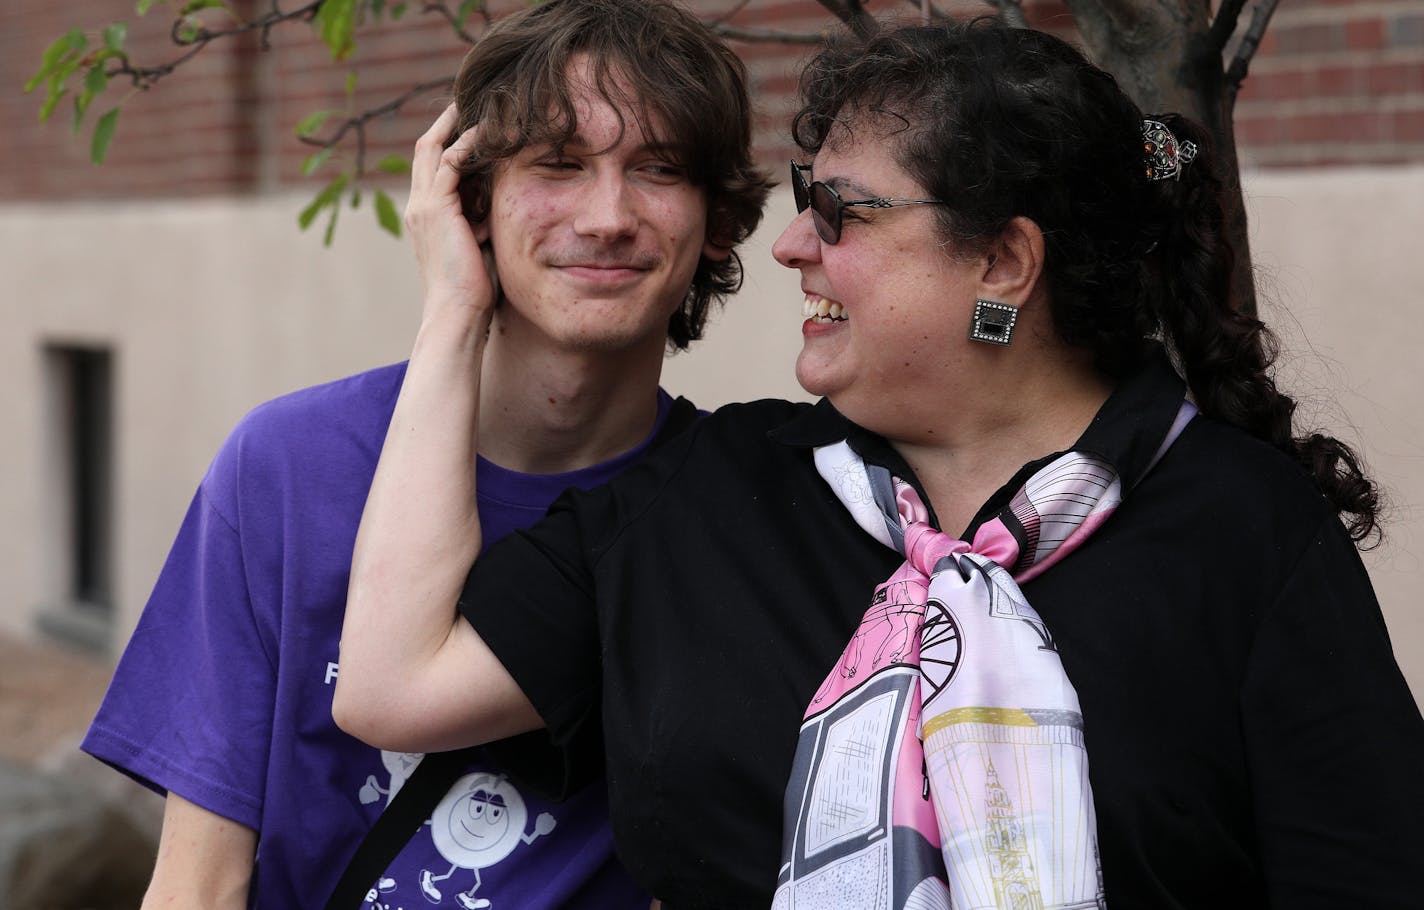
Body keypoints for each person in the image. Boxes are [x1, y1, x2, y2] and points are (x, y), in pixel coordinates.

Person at [334, 17, 1424, 910]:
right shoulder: (711, 492)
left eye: (839, 212)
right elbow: (392, 686)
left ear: (1001, 260)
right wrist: (454, 310)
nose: (789, 245)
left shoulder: (1241, 532)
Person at [79, 1, 769, 907]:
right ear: (468, 199)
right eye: (558, 165)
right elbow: (198, 882)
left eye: (660, 170)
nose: (608, 216)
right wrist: (452, 309)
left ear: (717, 220)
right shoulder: (289, 469)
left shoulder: (731, 513)